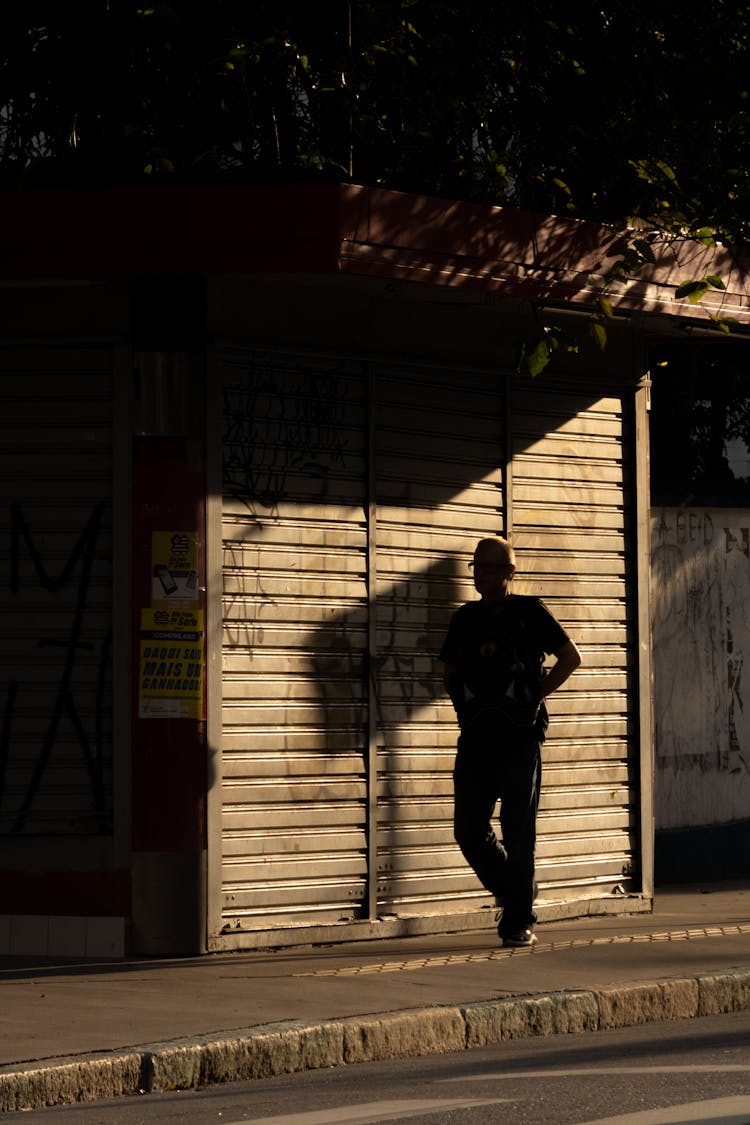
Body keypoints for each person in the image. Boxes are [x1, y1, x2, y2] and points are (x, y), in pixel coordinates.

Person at [439, 536, 581, 947]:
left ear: (509, 572)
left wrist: (538, 692)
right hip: (476, 739)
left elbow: (571, 657)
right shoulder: (464, 618)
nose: (479, 573)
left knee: (518, 831)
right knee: (468, 828)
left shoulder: (530, 612)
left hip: (520, 738)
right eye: (476, 567)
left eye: (488, 566)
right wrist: (466, 705)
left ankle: (518, 921)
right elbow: (448, 672)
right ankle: (516, 889)